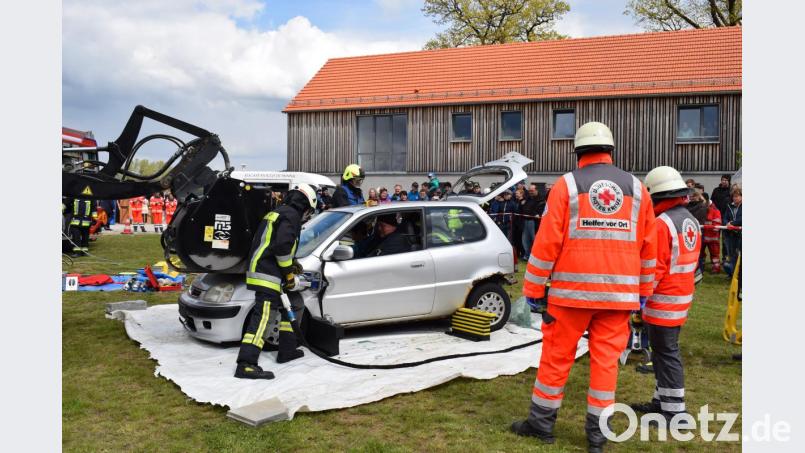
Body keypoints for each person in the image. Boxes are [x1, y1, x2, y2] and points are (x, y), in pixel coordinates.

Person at [511, 122, 657, 453]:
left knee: (556, 360)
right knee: (606, 365)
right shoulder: (637, 188)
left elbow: (547, 242)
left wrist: (533, 289)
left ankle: (541, 424)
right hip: (618, 299)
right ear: (610, 150)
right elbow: (650, 248)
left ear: (577, 151)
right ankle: (597, 437)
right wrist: (643, 292)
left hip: (570, 296)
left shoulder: (567, 185)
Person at [630, 166, 701, 422]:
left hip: (662, 300)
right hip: (680, 297)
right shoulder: (689, 219)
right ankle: (661, 401)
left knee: (667, 353)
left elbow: (655, 268)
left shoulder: (662, 224)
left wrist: (639, 299)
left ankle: (674, 411)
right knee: (663, 351)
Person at [235, 184, 318, 380]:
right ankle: (246, 364)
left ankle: (287, 349)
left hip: (265, 267)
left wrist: (293, 263)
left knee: (295, 303)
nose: (307, 215)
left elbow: (273, 244)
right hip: (268, 273)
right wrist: (289, 273)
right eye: (309, 211)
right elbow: (281, 247)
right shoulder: (292, 216)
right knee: (264, 316)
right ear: (306, 205)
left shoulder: (278, 212)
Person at [685, 185, 707, 281]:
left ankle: (699, 274)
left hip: (698, 232)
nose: (692, 197)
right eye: (691, 196)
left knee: (699, 254)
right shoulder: (686, 206)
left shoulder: (702, 206)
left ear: (698, 196)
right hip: (688, 231)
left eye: (694, 195)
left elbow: (697, 218)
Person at [520, 183, 544, 261]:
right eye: (529, 190)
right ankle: (527, 255)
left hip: (534, 222)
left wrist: (530, 212)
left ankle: (535, 257)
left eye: (532, 190)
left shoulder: (541, 200)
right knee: (525, 240)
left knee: (534, 240)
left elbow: (538, 211)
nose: (530, 192)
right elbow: (524, 209)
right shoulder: (527, 198)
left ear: (536, 190)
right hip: (526, 221)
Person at [722, 185, 742, 277]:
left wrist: (732, 224)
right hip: (730, 234)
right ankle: (733, 273)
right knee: (731, 254)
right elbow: (725, 217)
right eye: (734, 196)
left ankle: (739, 274)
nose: (735, 198)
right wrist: (727, 224)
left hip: (740, 235)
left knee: (740, 254)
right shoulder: (729, 206)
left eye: (737, 196)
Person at [702, 192, 722, 273]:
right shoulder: (701, 208)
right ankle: (701, 266)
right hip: (703, 236)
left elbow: (717, 224)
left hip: (712, 237)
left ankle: (716, 268)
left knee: (715, 254)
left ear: (706, 200)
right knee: (700, 253)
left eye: (701, 200)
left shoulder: (715, 210)